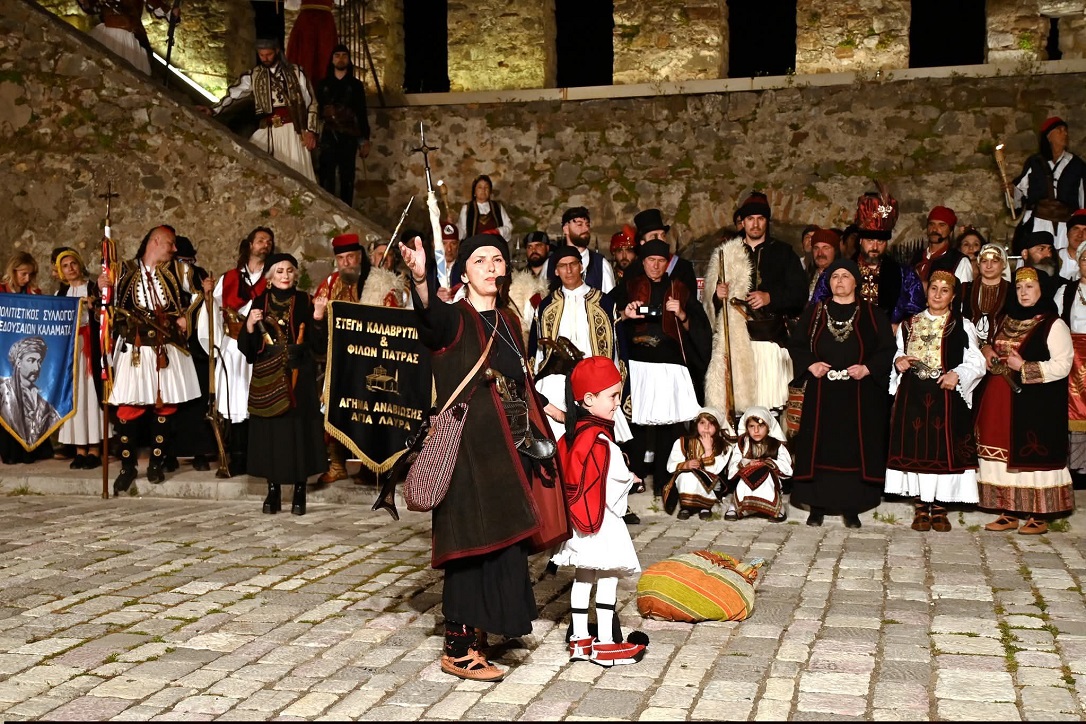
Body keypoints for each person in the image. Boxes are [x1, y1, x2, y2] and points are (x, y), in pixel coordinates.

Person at [398, 231, 569, 683]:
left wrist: (549, 410)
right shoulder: (454, 318)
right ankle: (457, 649)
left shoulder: (509, 321)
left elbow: (517, 378)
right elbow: (429, 317)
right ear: (464, 273)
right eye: (480, 261)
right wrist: (421, 279)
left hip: (510, 452)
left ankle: (483, 629)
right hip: (468, 451)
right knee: (470, 546)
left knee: (504, 543)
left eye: (497, 259)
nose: (492, 267)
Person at [551, 356, 646, 667]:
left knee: (582, 578)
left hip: (578, 523)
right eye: (613, 396)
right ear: (589, 399)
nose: (617, 402)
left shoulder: (572, 434)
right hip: (602, 523)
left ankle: (580, 641)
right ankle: (606, 644)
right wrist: (632, 480)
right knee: (607, 579)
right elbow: (615, 479)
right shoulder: (602, 438)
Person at [788, 259, 896, 528]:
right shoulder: (815, 312)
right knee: (820, 447)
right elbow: (797, 344)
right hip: (822, 393)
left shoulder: (872, 314)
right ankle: (817, 506)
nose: (839, 281)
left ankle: (851, 506)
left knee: (852, 448)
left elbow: (887, 349)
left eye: (845, 276)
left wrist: (868, 368)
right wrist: (811, 365)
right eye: (835, 276)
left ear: (856, 281)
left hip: (859, 394)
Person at [101, 225, 201, 494]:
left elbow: (200, 295)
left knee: (165, 406)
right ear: (156, 241)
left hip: (165, 349)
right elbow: (106, 303)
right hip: (134, 349)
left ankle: (156, 463)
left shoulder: (178, 271)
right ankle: (127, 467)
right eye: (171, 243)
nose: (175, 249)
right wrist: (102, 287)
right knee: (128, 408)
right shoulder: (122, 270)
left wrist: (187, 317)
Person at [976, 267, 1074, 535]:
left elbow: (1063, 365)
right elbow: (990, 345)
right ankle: (1008, 511)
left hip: (1036, 403)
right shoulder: (1004, 319)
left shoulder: (1054, 324)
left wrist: (1024, 367)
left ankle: (1038, 514)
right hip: (1000, 398)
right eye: (1019, 287)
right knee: (1003, 454)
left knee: (1031, 455)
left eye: (1030, 287)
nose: (1023, 292)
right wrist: (987, 351)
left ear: (1042, 289)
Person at [885, 272, 985, 532]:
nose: (938, 295)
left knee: (943, 449)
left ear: (952, 296)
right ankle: (921, 505)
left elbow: (977, 361)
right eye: (934, 289)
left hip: (946, 395)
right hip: (913, 395)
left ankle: (940, 506)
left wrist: (957, 374)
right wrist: (899, 361)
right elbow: (898, 352)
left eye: (944, 290)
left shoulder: (962, 325)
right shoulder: (909, 324)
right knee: (917, 449)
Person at [612, 239, 712, 495]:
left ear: (667, 263)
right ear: (643, 262)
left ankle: (664, 480)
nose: (655, 266)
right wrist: (624, 314)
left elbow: (701, 329)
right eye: (650, 260)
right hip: (638, 365)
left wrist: (682, 315)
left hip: (669, 366)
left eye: (660, 261)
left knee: (668, 427)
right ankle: (635, 477)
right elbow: (604, 313)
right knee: (635, 423)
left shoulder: (680, 288)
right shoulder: (630, 286)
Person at [703, 192, 807, 417]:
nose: (755, 224)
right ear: (743, 222)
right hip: (737, 341)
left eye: (760, 218)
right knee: (740, 407)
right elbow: (710, 307)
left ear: (767, 221)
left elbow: (800, 295)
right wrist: (717, 296)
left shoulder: (784, 252)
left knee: (771, 407)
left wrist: (771, 297)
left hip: (770, 339)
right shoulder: (727, 253)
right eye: (750, 219)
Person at [239, 253, 327, 516]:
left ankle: (300, 490)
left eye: (289, 270)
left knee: (298, 432)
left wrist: (318, 317)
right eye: (279, 271)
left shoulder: (306, 301)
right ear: (270, 276)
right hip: (268, 374)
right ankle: (273, 490)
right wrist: (250, 325)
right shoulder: (260, 302)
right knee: (271, 432)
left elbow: (319, 346)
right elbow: (248, 348)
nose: (285, 276)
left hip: (299, 374)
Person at [529, 245, 628, 444]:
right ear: (556, 271)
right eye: (562, 266)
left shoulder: (605, 303)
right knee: (558, 438)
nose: (568, 270)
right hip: (556, 383)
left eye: (573, 264)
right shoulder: (546, 306)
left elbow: (617, 350)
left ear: (581, 266)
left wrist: (616, 385)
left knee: (598, 437)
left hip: (595, 381)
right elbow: (537, 352)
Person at [204, 227, 274, 475]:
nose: (265, 244)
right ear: (250, 244)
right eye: (260, 240)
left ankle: (258, 458)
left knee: (256, 398)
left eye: (269, 241)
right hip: (233, 346)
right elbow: (213, 311)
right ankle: (236, 457)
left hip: (260, 347)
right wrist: (207, 294)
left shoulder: (273, 276)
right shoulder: (230, 278)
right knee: (234, 399)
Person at [202, 38, 318, 181]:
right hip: (268, 129)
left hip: (293, 131)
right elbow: (234, 95)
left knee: (297, 174)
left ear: (277, 51)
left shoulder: (296, 72)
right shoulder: (254, 75)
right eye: (261, 55)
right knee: (250, 162)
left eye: (268, 54)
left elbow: (311, 102)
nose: (265, 58)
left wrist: (310, 130)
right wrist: (213, 110)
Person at [813, 188, 925, 328]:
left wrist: (899, 327)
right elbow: (817, 309)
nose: (875, 247)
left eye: (880, 242)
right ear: (860, 241)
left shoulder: (905, 275)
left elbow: (917, 312)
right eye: (870, 241)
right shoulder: (836, 272)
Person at [313, 232, 372, 484]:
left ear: (359, 256)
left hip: (369, 360)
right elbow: (317, 319)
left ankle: (370, 466)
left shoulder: (376, 282)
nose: (346, 263)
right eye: (341, 258)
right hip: (338, 360)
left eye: (351, 257)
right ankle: (337, 464)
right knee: (334, 410)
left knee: (367, 414)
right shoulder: (329, 284)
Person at [54, 250, 103, 470]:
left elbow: (106, 316)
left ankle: (94, 449)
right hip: (71, 351)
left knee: (91, 394)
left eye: (73, 263)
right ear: (60, 271)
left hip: (90, 348)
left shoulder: (93, 288)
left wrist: (94, 308)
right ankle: (79, 449)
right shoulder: (60, 294)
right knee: (75, 397)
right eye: (65, 265)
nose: (70, 268)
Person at [1009, 116, 1086, 255]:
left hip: (1065, 223)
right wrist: (1011, 192)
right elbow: (1021, 190)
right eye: (1060, 130)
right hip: (1039, 222)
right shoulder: (1035, 162)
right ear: (1049, 136)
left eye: (1065, 130)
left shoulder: (1077, 165)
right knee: (1036, 257)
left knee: (1066, 257)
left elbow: (1083, 197)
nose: (1065, 133)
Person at [316, 44, 371, 207]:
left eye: (344, 55)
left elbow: (361, 112)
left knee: (347, 177)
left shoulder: (356, 86)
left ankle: (347, 211)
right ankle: (328, 209)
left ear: (348, 59)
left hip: (349, 136)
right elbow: (316, 111)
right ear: (332, 60)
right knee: (326, 176)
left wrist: (364, 140)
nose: (341, 59)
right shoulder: (323, 85)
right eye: (337, 55)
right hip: (328, 135)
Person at [724, 406, 792, 522]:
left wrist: (766, 463)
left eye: (760, 426)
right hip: (747, 476)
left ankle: (776, 508)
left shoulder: (776, 444)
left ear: (768, 427)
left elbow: (787, 468)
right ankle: (736, 506)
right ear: (746, 428)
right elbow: (733, 465)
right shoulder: (742, 444)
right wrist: (747, 463)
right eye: (751, 426)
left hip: (769, 478)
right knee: (744, 481)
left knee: (766, 476)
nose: (756, 431)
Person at [76, 0, 176, 76]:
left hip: (130, 32)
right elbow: (91, 6)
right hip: (107, 29)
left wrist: (171, 13)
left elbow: (158, 6)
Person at [662, 407, 729, 521]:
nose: (706, 427)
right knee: (686, 476)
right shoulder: (683, 442)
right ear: (696, 424)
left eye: (711, 424)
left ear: (717, 427)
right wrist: (685, 465)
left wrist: (708, 450)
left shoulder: (723, 446)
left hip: (711, 481)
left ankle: (705, 507)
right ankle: (686, 507)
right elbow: (670, 466)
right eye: (702, 423)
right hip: (687, 478)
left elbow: (714, 470)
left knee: (706, 479)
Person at [0, 337, 62, 453]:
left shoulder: (43, 403)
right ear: (18, 362)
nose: (37, 368)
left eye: (39, 362)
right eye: (31, 360)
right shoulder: (3, 391)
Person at [1057, 244, 1086, 488]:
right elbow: (1055, 323)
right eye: (1085, 259)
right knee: (1075, 411)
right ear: (1078, 262)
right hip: (1074, 359)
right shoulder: (1066, 291)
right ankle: (1078, 469)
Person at [544, 207, 616, 294]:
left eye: (587, 225)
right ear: (566, 229)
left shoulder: (600, 265)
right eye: (579, 224)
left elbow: (610, 299)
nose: (586, 229)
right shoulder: (550, 264)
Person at [960, 242, 1012, 348]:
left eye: (995, 261)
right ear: (979, 264)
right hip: (968, 347)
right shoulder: (966, 289)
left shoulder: (1012, 291)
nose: (988, 266)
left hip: (1000, 348)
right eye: (984, 261)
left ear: (1004, 264)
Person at [912, 205, 973, 285]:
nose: (934, 229)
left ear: (950, 230)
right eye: (931, 224)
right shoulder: (917, 257)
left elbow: (963, 291)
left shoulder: (960, 261)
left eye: (941, 225)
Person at [285, 0, 337, 86]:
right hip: (321, 21)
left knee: (308, 54)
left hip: (310, 21)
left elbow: (291, 5)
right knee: (322, 55)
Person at [457, 175, 512, 241]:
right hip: (474, 246)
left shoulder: (498, 207)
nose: (483, 190)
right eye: (480, 187)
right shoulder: (467, 208)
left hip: (494, 245)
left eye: (486, 187)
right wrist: (452, 227)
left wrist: (498, 231)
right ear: (474, 192)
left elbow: (509, 226)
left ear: (490, 191)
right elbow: (462, 232)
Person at [807, 228, 839, 299]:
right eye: (816, 248)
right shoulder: (807, 275)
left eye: (825, 248)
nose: (820, 253)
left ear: (835, 251)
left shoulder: (840, 279)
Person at [1058, 210, 1086, 280]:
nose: (1080, 235)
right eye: (1076, 229)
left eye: (1085, 230)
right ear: (1067, 233)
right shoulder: (1053, 257)